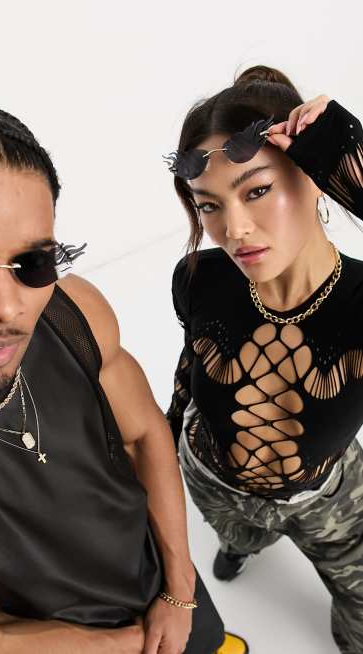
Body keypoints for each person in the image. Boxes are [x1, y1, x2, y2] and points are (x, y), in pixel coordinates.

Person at [0, 102, 247, 654]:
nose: (7, 307)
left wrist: (179, 595)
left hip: (169, 590)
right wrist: (144, 645)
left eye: (33, 263)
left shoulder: (73, 312)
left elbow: (145, 436)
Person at [165, 64, 363, 654]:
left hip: (327, 494)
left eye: (256, 191)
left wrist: (347, 159)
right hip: (209, 476)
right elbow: (190, 367)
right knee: (238, 533)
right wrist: (165, 445)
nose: (235, 229)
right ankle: (240, 544)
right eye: (209, 205)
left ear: (314, 179)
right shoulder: (199, 279)